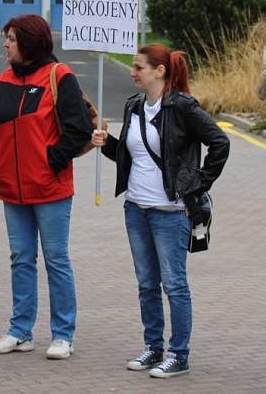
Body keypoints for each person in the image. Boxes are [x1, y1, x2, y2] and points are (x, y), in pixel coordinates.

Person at [91, 44, 230, 378]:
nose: (132, 72)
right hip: (136, 208)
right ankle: (153, 348)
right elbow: (129, 155)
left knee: (175, 284)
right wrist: (106, 142)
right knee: (146, 284)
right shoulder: (134, 106)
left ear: (160, 71)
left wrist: (197, 185)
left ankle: (179, 354)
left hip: (170, 211)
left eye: (138, 67)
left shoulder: (181, 106)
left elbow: (220, 143)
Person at [0, 14, 93, 360]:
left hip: (50, 190)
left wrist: (51, 162)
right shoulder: (1, 80)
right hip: (12, 190)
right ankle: (20, 331)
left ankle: (63, 335)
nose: (6, 44)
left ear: (29, 43)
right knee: (21, 259)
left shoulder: (60, 77)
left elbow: (78, 130)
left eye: (12, 39)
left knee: (56, 260)